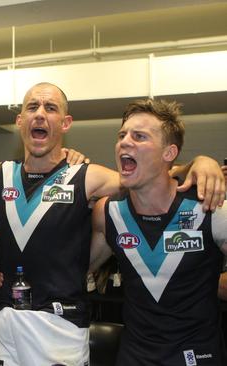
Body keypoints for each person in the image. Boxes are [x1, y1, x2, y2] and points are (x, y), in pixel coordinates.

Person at [0, 82, 224, 366]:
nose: (40, 114)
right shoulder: (1, 174)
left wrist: (199, 163)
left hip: (61, 328)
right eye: (32, 108)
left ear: (64, 125)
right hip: (5, 325)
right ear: (20, 121)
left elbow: (146, 178)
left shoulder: (87, 176)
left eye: (51, 108)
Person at [89, 99, 227, 365]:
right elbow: (72, 271)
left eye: (139, 136)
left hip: (196, 355)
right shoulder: (109, 214)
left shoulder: (209, 209)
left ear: (169, 153)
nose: (125, 142)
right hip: (135, 356)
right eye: (122, 135)